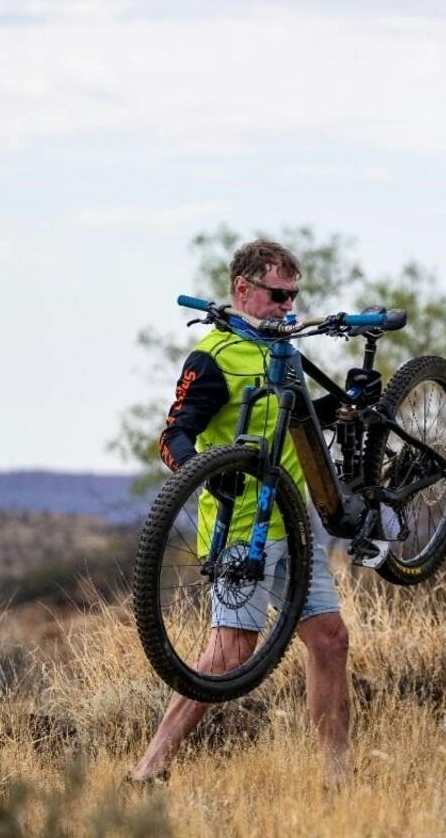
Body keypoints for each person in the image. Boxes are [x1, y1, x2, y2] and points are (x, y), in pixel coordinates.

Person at [130, 238, 353, 783]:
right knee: (229, 654)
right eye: (278, 295)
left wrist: (347, 402)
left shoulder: (284, 353)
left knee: (330, 640)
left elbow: (302, 421)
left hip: (294, 525)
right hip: (239, 528)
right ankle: (150, 768)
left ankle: (338, 776)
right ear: (243, 290)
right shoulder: (214, 355)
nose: (287, 307)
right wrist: (207, 469)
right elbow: (173, 436)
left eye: (294, 296)